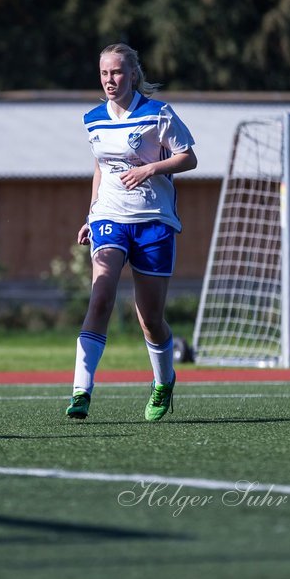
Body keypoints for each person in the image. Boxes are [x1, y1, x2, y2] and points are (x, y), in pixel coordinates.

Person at [66, 43, 198, 422]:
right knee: (101, 293)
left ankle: (163, 382)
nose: (111, 80)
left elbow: (188, 157)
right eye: (105, 73)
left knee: (150, 318)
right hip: (110, 217)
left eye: (118, 72)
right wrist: (91, 215)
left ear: (133, 74)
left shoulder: (159, 114)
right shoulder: (93, 118)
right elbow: (100, 168)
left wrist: (149, 170)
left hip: (154, 220)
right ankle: (81, 392)